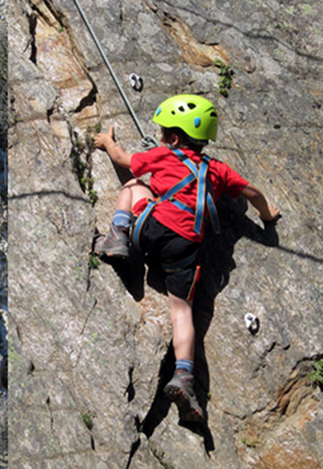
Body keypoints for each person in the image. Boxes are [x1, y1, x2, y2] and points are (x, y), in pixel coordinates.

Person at [93, 94, 280, 421]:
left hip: (151, 232)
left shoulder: (164, 153)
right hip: (184, 251)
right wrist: (268, 214)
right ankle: (184, 375)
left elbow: (123, 159)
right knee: (183, 313)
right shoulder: (218, 170)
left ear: (174, 138)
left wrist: (107, 141)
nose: (162, 136)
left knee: (133, 186)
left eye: (165, 132)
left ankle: (118, 237)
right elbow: (253, 194)